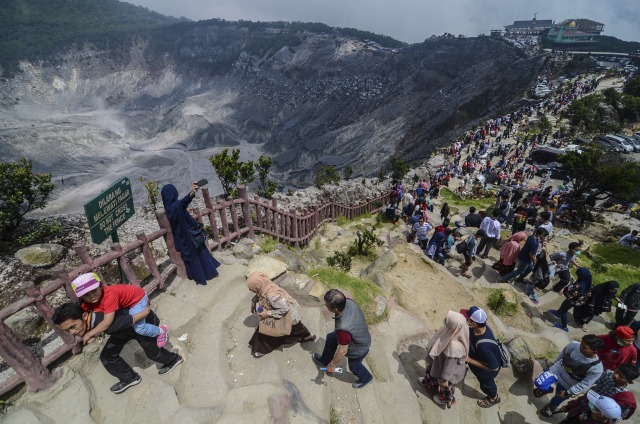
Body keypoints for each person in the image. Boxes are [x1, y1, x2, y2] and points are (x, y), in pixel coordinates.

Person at [52, 302, 183, 394]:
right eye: (67, 330)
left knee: (153, 354)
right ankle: (129, 378)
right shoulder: (88, 313)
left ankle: (173, 359)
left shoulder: (105, 322)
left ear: (84, 316)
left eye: (73, 327)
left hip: (141, 324)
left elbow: (129, 320)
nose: (72, 332)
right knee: (107, 356)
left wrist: (91, 334)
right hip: (123, 331)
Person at [71, 272, 167, 347]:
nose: (92, 296)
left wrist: (89, 335)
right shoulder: (86, 303)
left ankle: (161, 331)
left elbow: (107, 322)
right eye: (86, 295)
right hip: (129, 300)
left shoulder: (109, 296)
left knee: (140, 329)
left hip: (137, 299)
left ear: (100, 286)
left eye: (94, 291)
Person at [161, 183, 221, 286]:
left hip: (181, 237)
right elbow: (183, 202)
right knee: (199, 253)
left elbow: (179, 208)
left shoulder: (169, 208)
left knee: (191, 258)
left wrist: (185, 210)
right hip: (190, 235)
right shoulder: (176, 206)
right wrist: (193, 192)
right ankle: (208, 273)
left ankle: (196, 274)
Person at [312, 289, 373, 389]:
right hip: (358, 332)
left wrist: (332, 365)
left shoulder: (343, 329)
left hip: (358, 348)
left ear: (336, 309)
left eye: (327, 305)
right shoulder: (348, 301)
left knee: (354, 367)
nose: (325, 306)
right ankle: (324, 360)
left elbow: (342, 351)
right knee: (331, 338)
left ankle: (367, 378)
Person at [246, 272, 315, 358]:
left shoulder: (272, 295)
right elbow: (259, 295)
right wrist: (253, 302)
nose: (250, 290)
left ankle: (260, 349)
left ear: (258, 285)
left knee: (265, 333)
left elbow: (284, 309)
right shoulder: (267, 286)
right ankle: (307, 336)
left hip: (287, 314)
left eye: (251, 287)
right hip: (292, 315)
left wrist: (267, 313)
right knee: (296, 328)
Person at [534, 334, 605, 417]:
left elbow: (585, 384)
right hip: (558, 370)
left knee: (559, 398)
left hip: (569, 384)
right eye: (581, 343)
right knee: (539, 382)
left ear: (595, 351)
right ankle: (546, 389)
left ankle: (552, 406)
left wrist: (568, 392)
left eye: (584, 347)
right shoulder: (574, 345)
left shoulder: (597, 369)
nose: (580, 346)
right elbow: (562, 355)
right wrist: (553, 366)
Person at [417, 310, 469, 408]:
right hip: (440, 363)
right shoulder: (458, 332)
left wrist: (445, 379)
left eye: (449, 321)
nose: (446, 321)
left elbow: (449, 367)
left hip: (448, 373)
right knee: (433, 371)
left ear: (455, 327)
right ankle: (430, 382)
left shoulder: (455, 348)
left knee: (447, 387)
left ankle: (447, 398)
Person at [460, 306, 502, 408]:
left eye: (467, 319)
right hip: (481, 356)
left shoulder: (483, 345)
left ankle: (493, 398)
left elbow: (494, 367)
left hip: (487, 371)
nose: (465, 319)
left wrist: (468, 359)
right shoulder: (482, 328)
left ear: (474, 324)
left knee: (486, 385)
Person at [501, 227, 548, 305]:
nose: (545, 237)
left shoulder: (531, 237)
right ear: (541, 234)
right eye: (544, 235)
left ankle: (519, 279)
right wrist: (535, 262)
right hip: (526, 259)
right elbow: (531, 255)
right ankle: (504, 278)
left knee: (529, 268)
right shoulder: (535, 243)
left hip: (523, 256)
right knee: (519, 271)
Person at [548, 268, 594, 332]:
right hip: (580, 301)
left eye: (578, 275)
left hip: (572, 300)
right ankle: (558, 313)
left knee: (564, 310)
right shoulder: (589, 282)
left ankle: (564, 326)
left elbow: (572, 294)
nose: (578, 276)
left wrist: (569, 288)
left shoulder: (579, 286)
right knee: (564, 306)